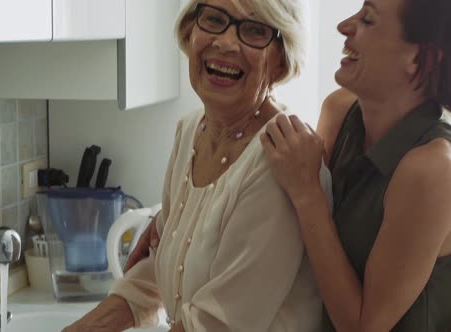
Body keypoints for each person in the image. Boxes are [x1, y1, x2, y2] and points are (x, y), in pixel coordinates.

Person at [63, 0, 332, 331]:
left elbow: (216, 323)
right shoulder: (191, 131)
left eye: (254, 30)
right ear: (190, 31)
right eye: (214, 19)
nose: (226, 43)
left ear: (281, 60)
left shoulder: (279, 159)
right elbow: (159, 268)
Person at [259, 0, 451, 330]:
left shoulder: (434, 170)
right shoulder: (338, 109)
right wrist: (169, 221)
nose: (344, 26)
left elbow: (363, 326)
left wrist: (308, 192)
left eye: (367, 19)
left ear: (419, 59)